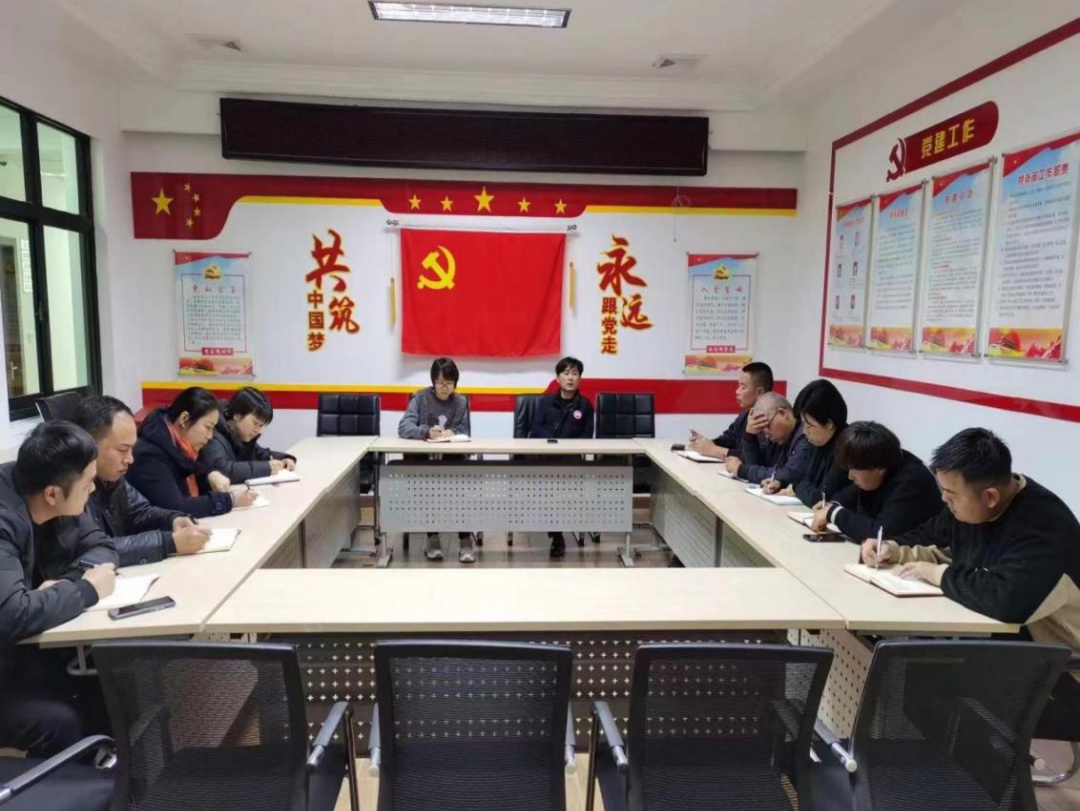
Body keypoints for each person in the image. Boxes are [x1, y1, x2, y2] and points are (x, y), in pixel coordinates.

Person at [863, 428, 1080, 739]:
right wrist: (892, 550)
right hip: (1013, 649)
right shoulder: (972, 507)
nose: (944, 501)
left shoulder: (1044, 527)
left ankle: (976, 764)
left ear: (991, 497)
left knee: (926, 683)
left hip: (1062, 673)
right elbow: (932, 538)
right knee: (915, 671)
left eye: (951, 496)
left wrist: (937, 574)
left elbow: (1007, 601)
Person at [0, 422, 117, 756]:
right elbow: (12, 614)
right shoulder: (5, 519)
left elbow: (102, 546)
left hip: (18, 653)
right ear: (52, 495)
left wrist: (67, 585)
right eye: (88, 483)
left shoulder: (50, 484)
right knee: (61, 718)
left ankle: (113, 771)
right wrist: (85, 590)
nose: (93, 488)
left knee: (105, 678)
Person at [74, 395, 211, 566]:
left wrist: (173, 520)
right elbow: (94, 550)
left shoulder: (113, 478)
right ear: (89, 445)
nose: (130, 459)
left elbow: (140, 513)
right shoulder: (71, 488)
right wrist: (168, 542)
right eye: (122, 450)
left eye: (132, 449)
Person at [127, 387, 259, 518]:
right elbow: (176, 507)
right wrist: (230, 500)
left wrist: (210, 474)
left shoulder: (185, 445)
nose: (210, 436)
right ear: (184, 419)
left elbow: (200, 468)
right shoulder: (150, 455)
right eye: (208, 427)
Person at [398, 358, 477, 563]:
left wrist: (453, 432)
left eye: (449, 383)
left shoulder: (461, 402)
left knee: (462, 489)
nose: (444, 387)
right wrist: (426, 432)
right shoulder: (420, 398)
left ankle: (465, 539)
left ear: (455, 383)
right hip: (425, 462)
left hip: (453, 461)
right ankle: (432, 537)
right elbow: (404, 427)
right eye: (440, 382)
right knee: (428, 487)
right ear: (433, 381)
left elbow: (465, 431)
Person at [813, 421, 939, 539]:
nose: (850, 476)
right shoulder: (875, 464)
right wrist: (832, 506)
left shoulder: (912, 481)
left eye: (854, 469)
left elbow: (880, 533)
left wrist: (834, 514)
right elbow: (849, 495)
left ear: (879, 468)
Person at [531, 356, 594, 559]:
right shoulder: (546, 401)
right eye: (566, 373)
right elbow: (536, 427)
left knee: (561, 490)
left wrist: (568, 447)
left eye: (575, 373)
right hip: (547, 457)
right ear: (558, 378)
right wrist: (552, 442)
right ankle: (557, 535)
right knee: (549, 489)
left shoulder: (585, 405)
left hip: (571, 459)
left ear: (579, 378)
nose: (570, 378)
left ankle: (558, 532)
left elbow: (587, 435)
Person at [763, 380, 849, 506]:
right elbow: (803, 478)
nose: (804, 431)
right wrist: (781, 483)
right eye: (803, 425)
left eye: (809, 426)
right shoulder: (817, 441)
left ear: (829, 423)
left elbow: (821, 498)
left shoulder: (847, 448)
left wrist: (796, 488)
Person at [201, 386, 297, 484]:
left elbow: (259, 453)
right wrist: (266, 468)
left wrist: (284, 458)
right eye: (255, 423)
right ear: (237, 415)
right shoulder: (213, 434)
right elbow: (221, 469)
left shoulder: (241, 435)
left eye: (261, 426)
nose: (258, 431)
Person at [688, 362, 773, 460]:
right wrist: (705, 443)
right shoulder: (746, 414)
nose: (737, 391)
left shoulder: (768, 420)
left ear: (760, 392)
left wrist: (714, 450)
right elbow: (729, 440)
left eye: (743, 387)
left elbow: (754, 458)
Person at [726, 391, 812, 486]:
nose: (767, 435)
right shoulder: (778, 437)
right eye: (762, 431)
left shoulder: (807, 435)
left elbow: (790, 475)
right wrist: (750, 437)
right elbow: (760, 466)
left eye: (767, 426)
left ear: (783, 413)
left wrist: (743, 471)